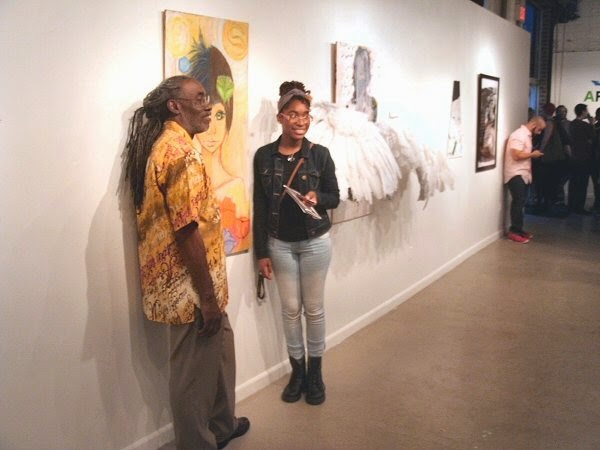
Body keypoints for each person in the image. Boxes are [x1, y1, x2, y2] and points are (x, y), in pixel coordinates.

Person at [123, 75, 249, 449]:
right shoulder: (179, 153)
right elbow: (186, 230)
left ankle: (222, 426)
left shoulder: (173, 146)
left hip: (197, 285)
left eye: (207, 97)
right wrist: (207, 299)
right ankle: (196, 444)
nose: (207, 105)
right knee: (192, 377)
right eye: (198, 98)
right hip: (190, 290)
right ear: (175, 106)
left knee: (221, 352)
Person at [253, 81, 340, 405]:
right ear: (280, 117)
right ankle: (297, 372)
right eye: (293, 114)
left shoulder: (320, 154)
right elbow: (260, 205)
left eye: (304, 114)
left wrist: (318, 197)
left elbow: (335, 196)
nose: (300, 121)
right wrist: (261, 252)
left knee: (313, 310)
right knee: (290, 310)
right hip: (280, 244)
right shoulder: (264, 156)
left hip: (315, 242)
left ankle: (315, 374)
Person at [189, 41, 250, 254]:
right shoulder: (187, 183)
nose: (213, 129)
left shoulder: (236, 187)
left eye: (220, 115)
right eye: (207, 114)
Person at [504, 116, 546, 243]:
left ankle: (518, 229)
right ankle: (514, 231)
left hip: (524, 174)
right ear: (534, 125)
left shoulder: (526, 136)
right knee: (518, 202)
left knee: (521, 202)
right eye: (539, 130)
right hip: (515, 174)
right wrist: (533, 154)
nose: (539, 133)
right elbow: (516, 155)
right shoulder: (518, 135)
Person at [568, 103, 595, 214]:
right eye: (586, 110)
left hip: (574, 157)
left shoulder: (571, 124)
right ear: (583, 112)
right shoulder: (585, 125)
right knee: (582, 183)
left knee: (573, 182)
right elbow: (592, 138)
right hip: (584, 158)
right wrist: (591, 124)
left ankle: (571, 205)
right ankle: (579, 207)